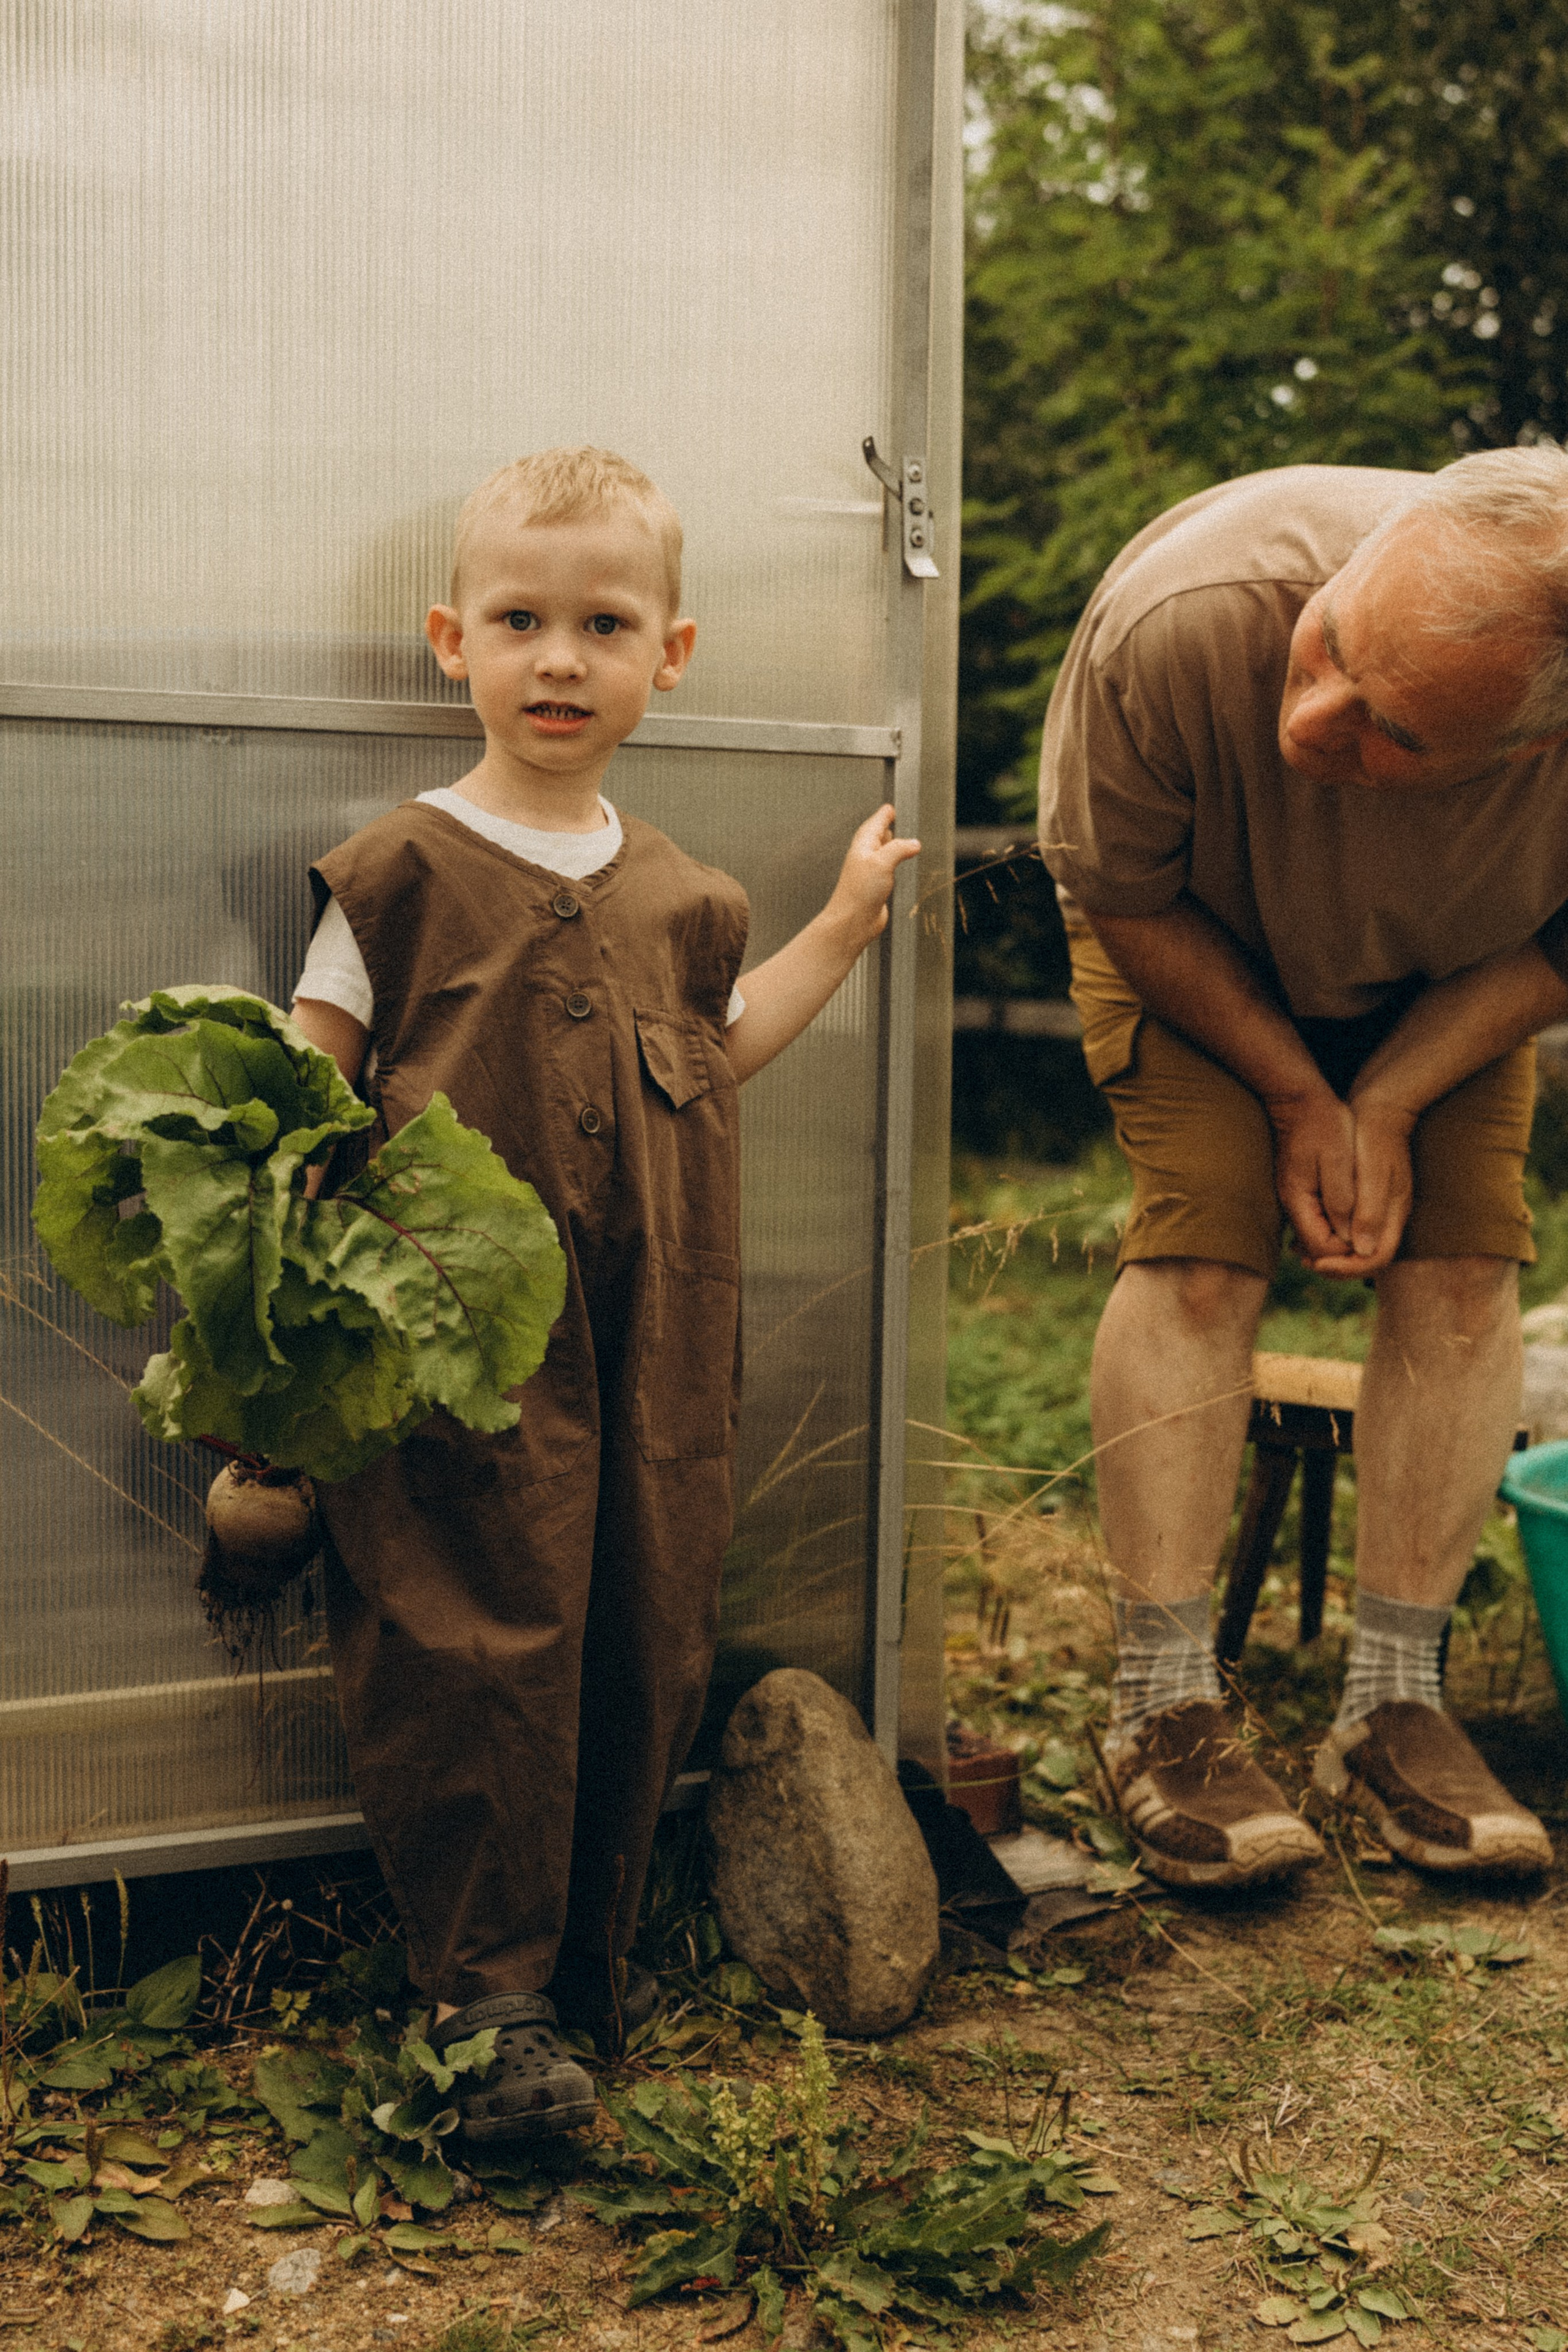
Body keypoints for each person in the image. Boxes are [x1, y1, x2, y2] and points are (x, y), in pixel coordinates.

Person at [290, 445, 919, 2136]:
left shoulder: (689, 899)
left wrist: (845, 928)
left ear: (672, 654)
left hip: (654, 1354)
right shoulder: (397, 877)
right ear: (451, 640)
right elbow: (298, 1094)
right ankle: (481, 2008)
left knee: (641, 1622)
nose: (558, 657)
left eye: (602, 622)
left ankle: (584, 1972)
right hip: (461, 1358)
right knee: (468, 1633)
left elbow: (717, 1059)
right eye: (519, 618)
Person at [1038, 450, 1568, 1892]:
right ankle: (1158, 1709)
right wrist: (1290, 1091)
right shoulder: (1180, 617)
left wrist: (1387, 1097)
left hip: (1456, 971)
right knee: (1202, 1253)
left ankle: (1390, 1705)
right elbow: (1116, 892)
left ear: (1529, 750)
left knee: (1463, 1267)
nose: (1312, 713)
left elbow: (1557, 952)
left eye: (1387, 727)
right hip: (1188, 935)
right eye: (1329, 640)